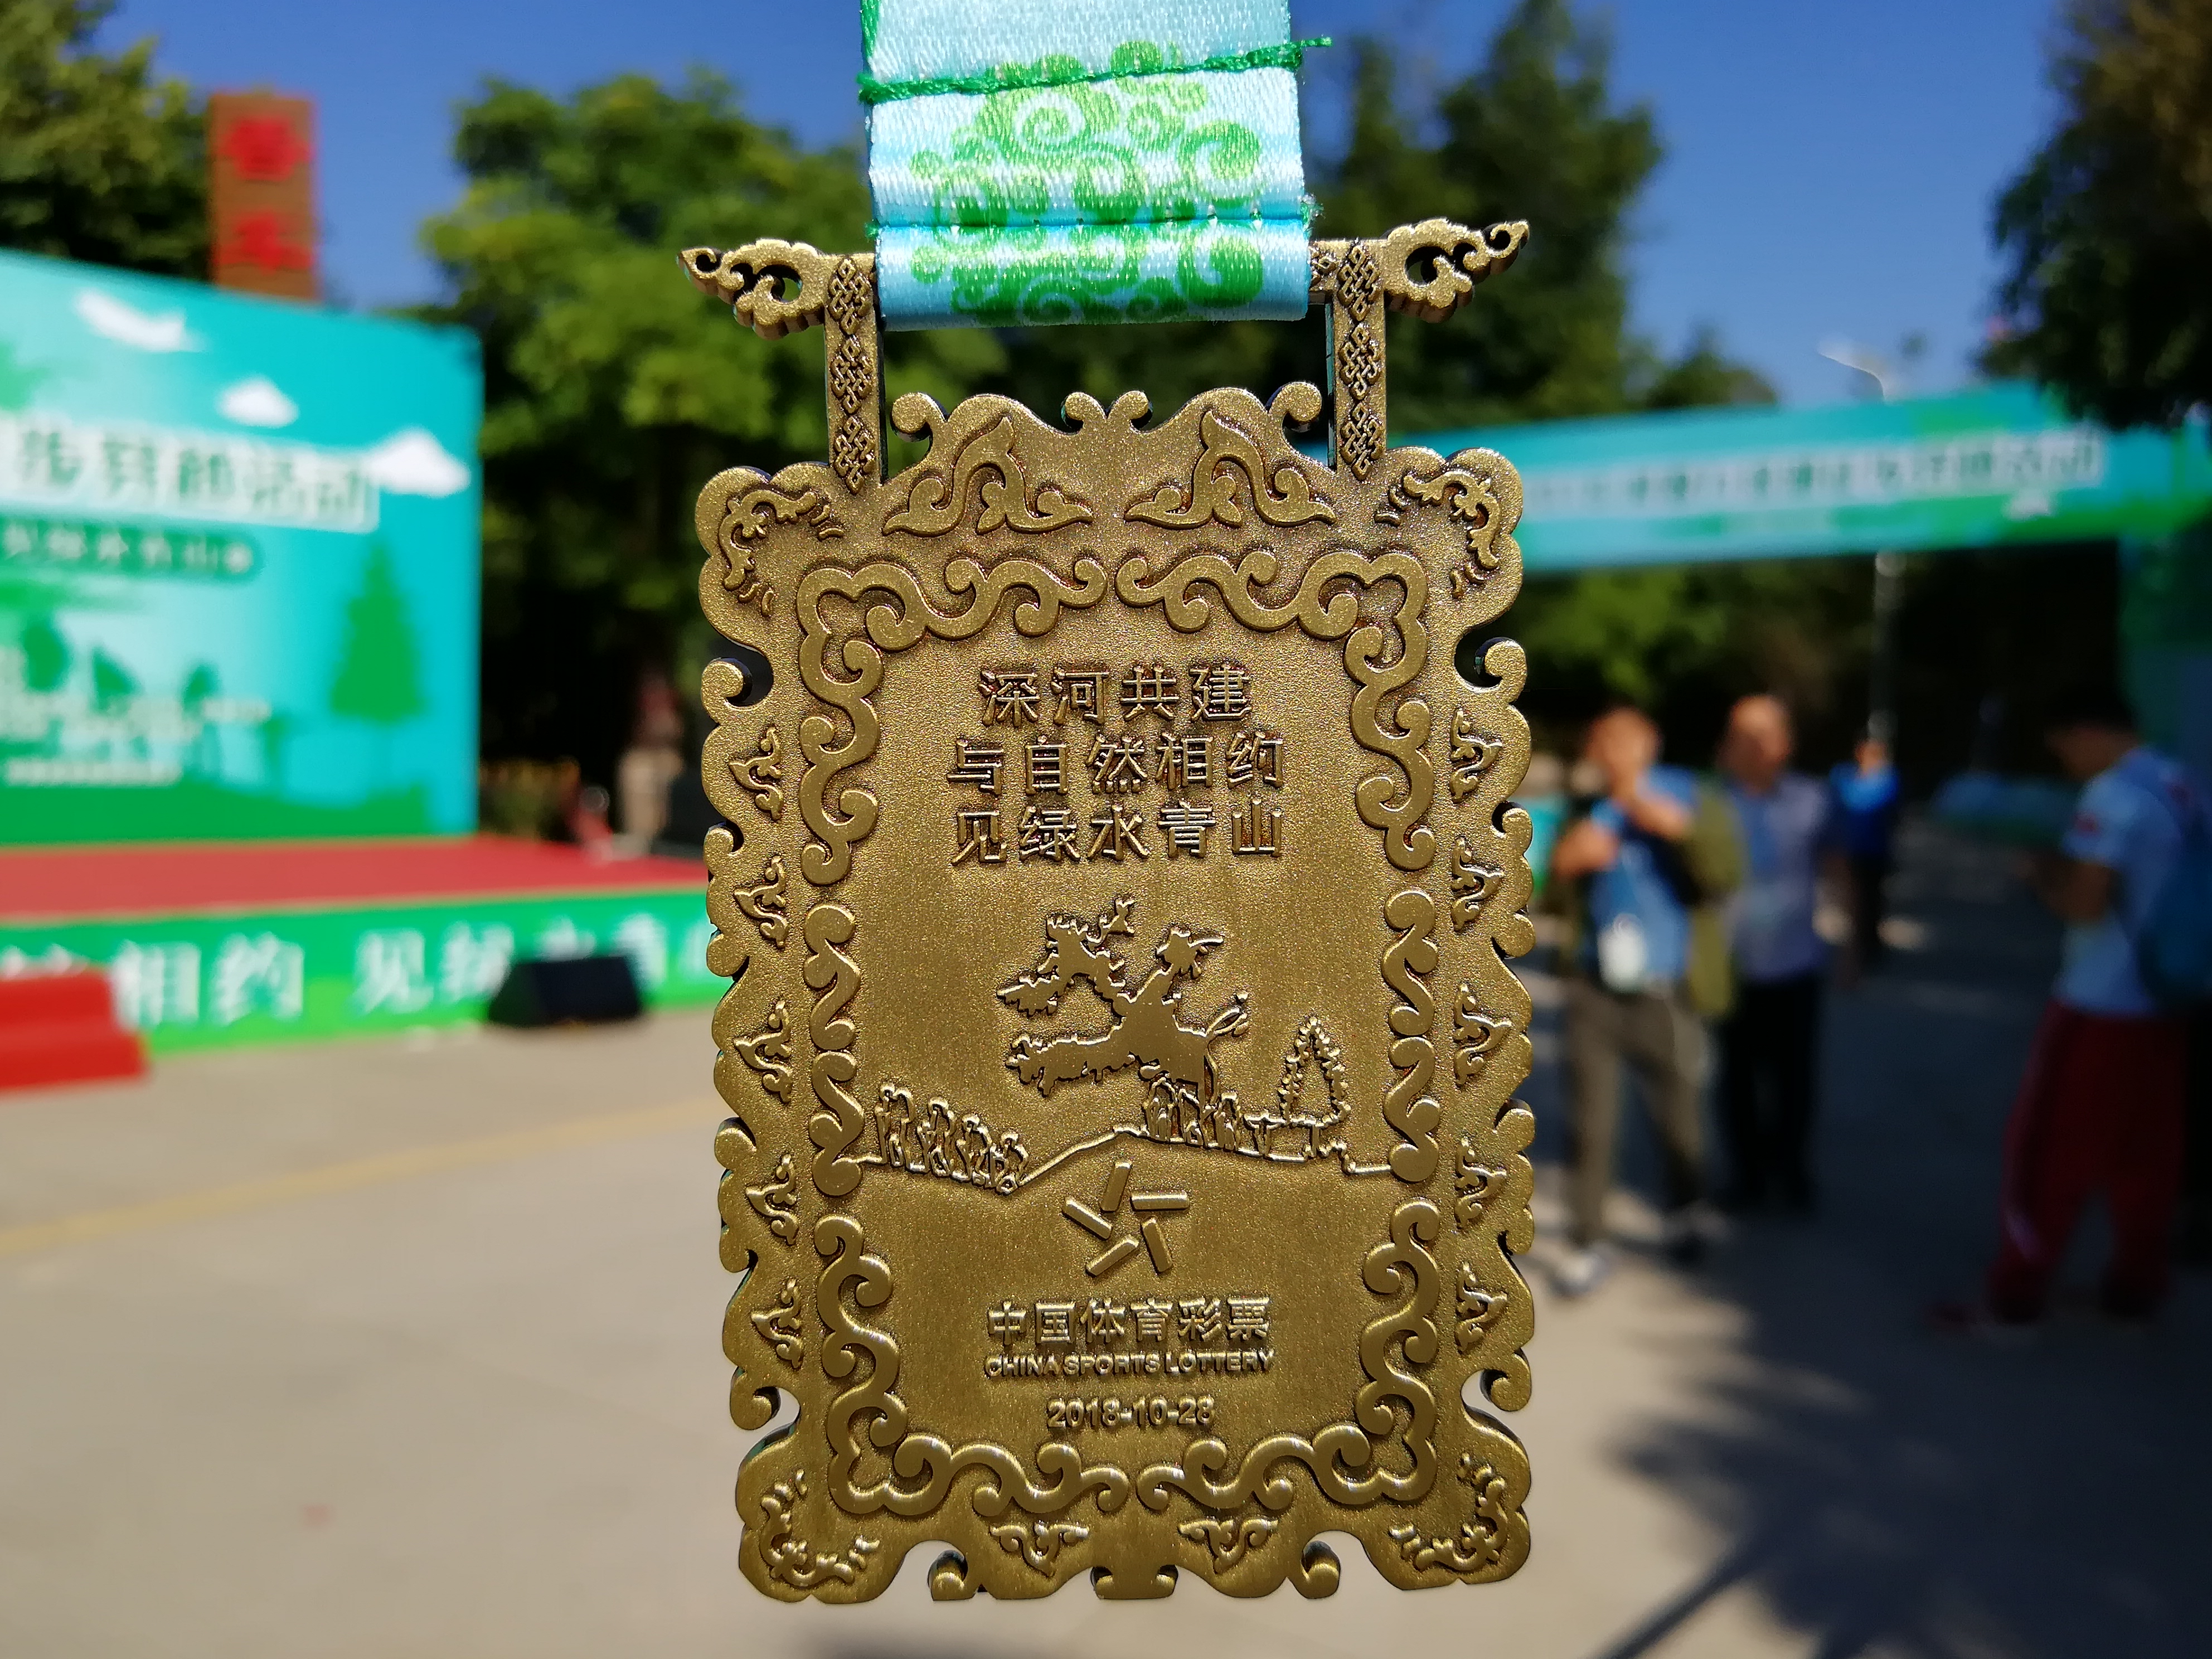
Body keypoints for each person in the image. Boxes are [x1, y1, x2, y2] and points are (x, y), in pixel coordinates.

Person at [1949, 690, 2203, 1326]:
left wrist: (2038, 873)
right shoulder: (2181, 783)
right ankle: (2136, 1285)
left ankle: (2014, 1296)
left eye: (2063, 748)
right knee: (2146, 1153)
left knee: (2046, 1149)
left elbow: (2085, 905)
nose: (2065, 762)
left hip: (2098, 1002)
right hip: (2166, 998)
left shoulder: (2111, 797)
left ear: (2088, 733)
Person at [1548, 705, 1742, 1295]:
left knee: (1679, 1114)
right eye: (1605, 743)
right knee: (1591, 1125)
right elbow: (1549, 894)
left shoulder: (1686, 796)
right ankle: (1587, 1240)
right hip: (1595, 987)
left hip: (1665, 988)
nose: (1616, 755)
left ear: (1650, 745)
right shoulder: (1585, 809)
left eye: (1627, 743)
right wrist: (1564, 864)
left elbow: (1727, 874)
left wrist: (1680, 831)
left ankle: (1685, 1212)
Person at [1719, 695, 1841, 1214]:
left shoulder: (1813, 800)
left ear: (1785, 743)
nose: (1751, 747)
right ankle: (1746, 1176)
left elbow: (1837, 868)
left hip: (1796, 964)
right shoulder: (1711, 806)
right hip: (1733, 966)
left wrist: (1853, 944)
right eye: (1740, 736)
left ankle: (1792, 1170)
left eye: (1762, 735)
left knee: (1795, 1079)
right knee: (1737, 1080)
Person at [1829, 730, 1901, 973]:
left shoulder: (1887, 780)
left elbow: (1889, 811)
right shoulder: (1844, 776)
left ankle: (1870, 945)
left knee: (1872, 900)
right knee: (1851, 899)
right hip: (1848, 850)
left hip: (1875, 851)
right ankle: (1855, 944)